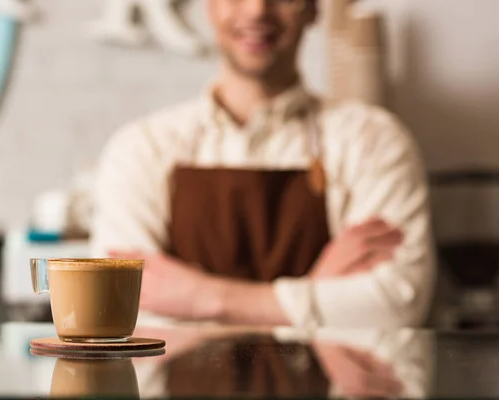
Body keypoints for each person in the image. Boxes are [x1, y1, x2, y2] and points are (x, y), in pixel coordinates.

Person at [91, 0, 436, 327]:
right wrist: (316, 295)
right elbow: (116, 305)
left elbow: (397, 304)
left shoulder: (373, 139)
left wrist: (202, 298)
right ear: (210, 7)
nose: (257, 11)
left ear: (313, 9)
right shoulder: (141, 148)